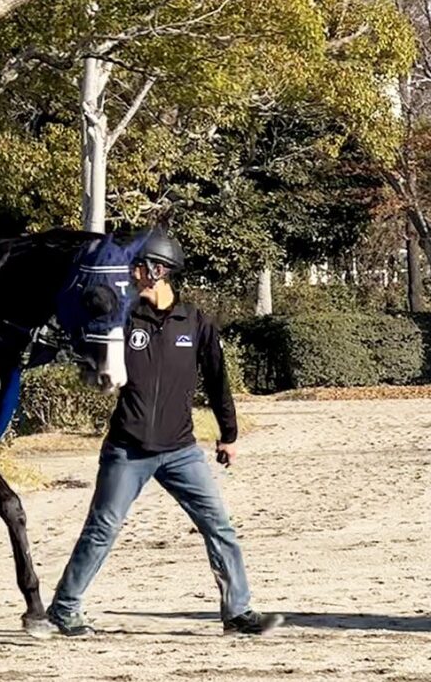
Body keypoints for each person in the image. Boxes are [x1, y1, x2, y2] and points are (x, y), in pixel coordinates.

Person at [46, 231, 284, 637]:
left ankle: (238, 611)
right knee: (103, 528)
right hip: (128, 449)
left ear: (157, 271)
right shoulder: (123, 319)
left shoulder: (194, 321)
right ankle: (63, 610)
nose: (132, 274)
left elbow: (217, 379)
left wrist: (229, 434)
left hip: (181, 450)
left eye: (137, 267)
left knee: (219, 526)